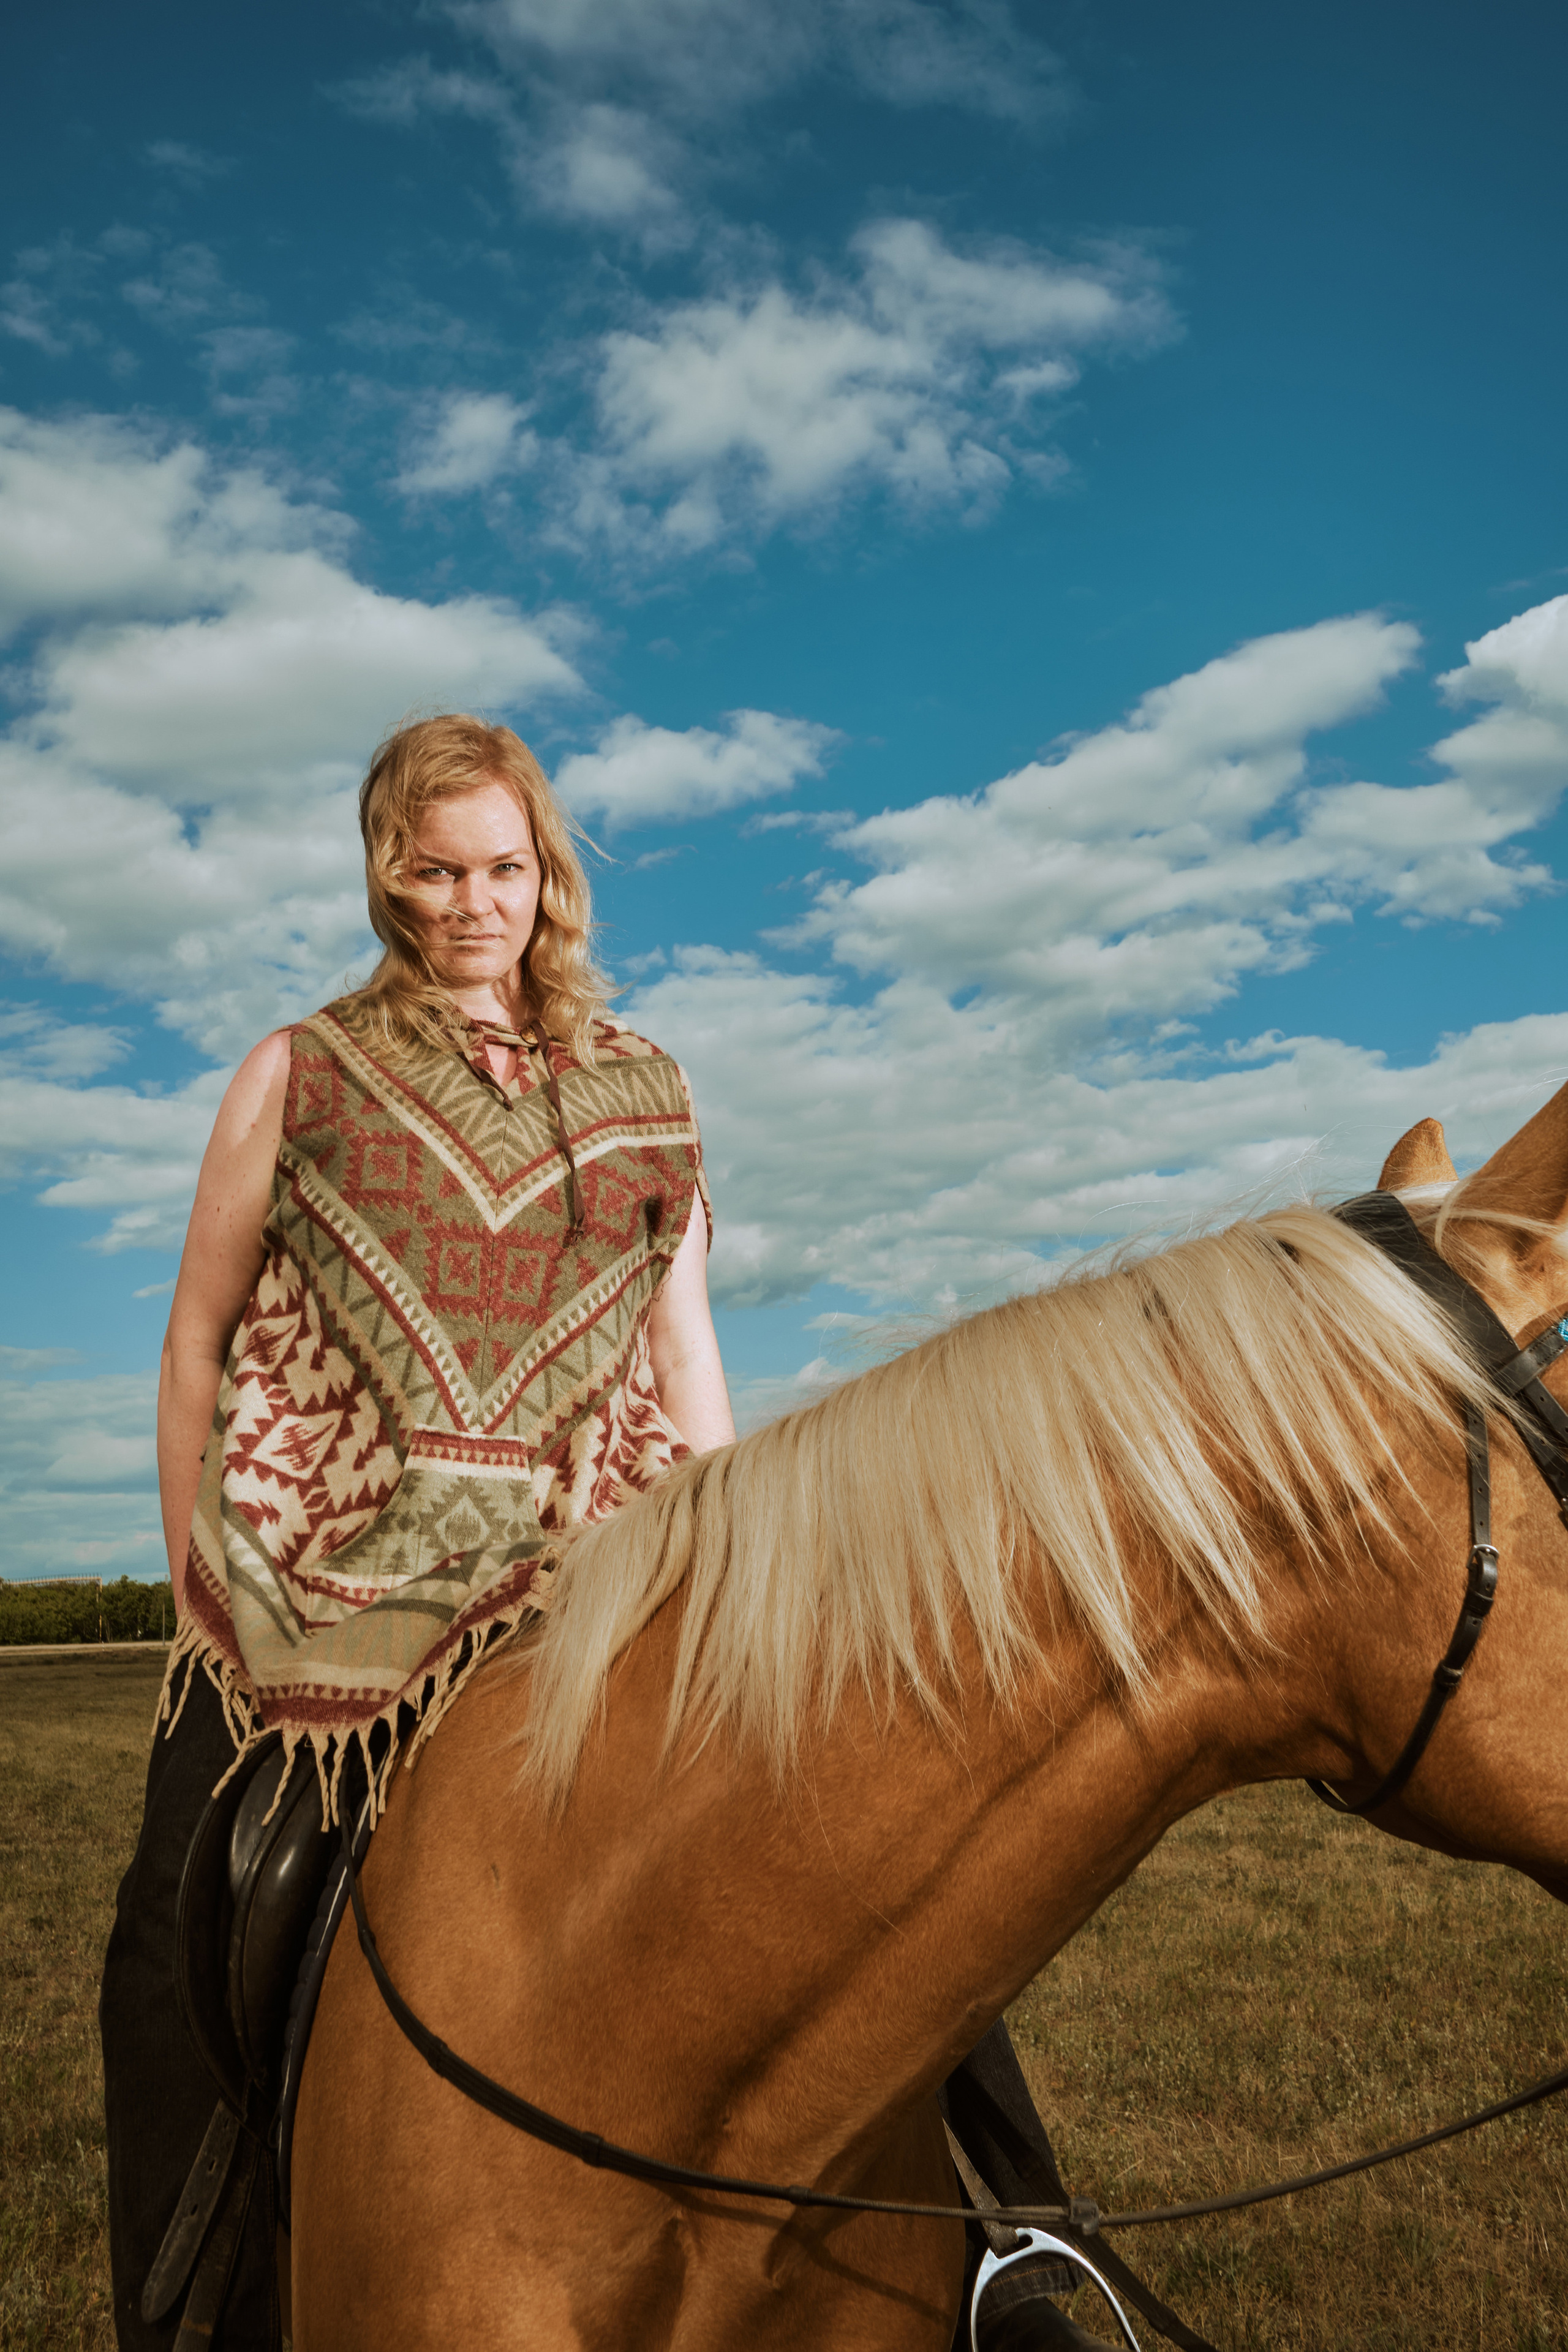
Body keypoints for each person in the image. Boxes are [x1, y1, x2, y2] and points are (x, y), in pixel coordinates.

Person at [99, 713, 734, 2350]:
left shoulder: (646, 1090)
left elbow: (683, 1353)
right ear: (390, 874)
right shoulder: (297, 1070)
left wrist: (729, 1559)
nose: (473, 902)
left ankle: (1022, 2244)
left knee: (830, 1835)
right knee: (179, 1930)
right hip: (319, 1581)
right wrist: (196, 1572)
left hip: (592, 1557)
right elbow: (196, 1333)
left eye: (503, 868)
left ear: (549, 875)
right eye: (437, 869)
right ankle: (201, 2307)